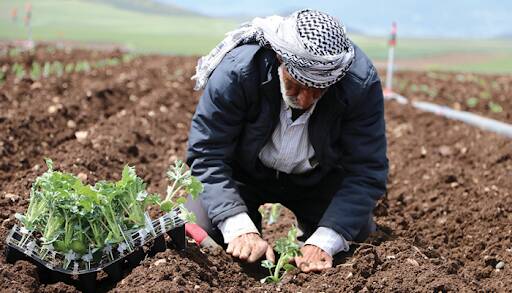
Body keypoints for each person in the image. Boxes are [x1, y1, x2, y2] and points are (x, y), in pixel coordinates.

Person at [185, 9, 388, 273]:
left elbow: (366, 171)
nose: (304, 100)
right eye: (296, 84)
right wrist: (238, 228)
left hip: (318, 181)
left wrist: (324, 241)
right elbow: (207, 154)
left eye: (317, 91)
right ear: (280, 59)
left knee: (355, 237)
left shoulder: (359, 83)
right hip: (243, 175)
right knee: (200, 228)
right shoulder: (238, 71)